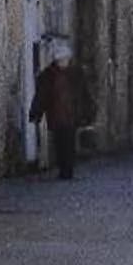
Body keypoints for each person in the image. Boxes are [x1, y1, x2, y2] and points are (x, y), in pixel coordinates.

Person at [30, 39, 90, 180]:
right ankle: (63, 168)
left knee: (69, 141)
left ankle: (68, 169)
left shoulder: (76, 74)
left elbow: (84, 94)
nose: (62, 63)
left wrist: (88, 110)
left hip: (71, 113)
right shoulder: (48, 76)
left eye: (64, 60)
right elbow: (41, 96)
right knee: (59, 142)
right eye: (59, 60)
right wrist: (36, 113)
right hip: (56, 114)